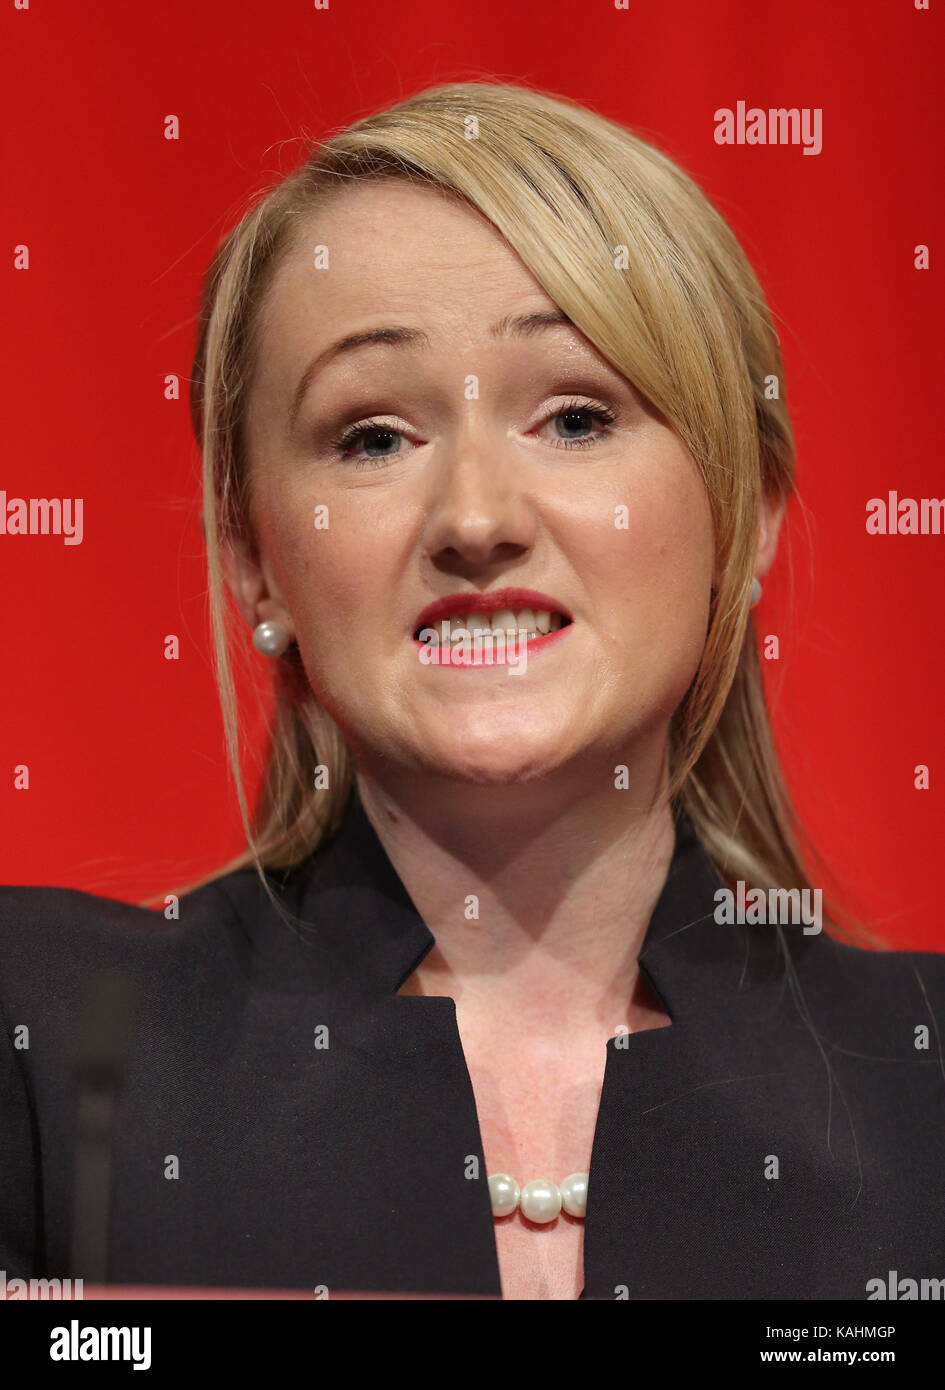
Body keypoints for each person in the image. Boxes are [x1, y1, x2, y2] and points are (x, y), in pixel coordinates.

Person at [1, 81, 943, 1303]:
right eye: (373, 438)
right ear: (251, 556)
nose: (477, 519)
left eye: (574, 415)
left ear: (747, 516)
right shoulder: (46, 1051)